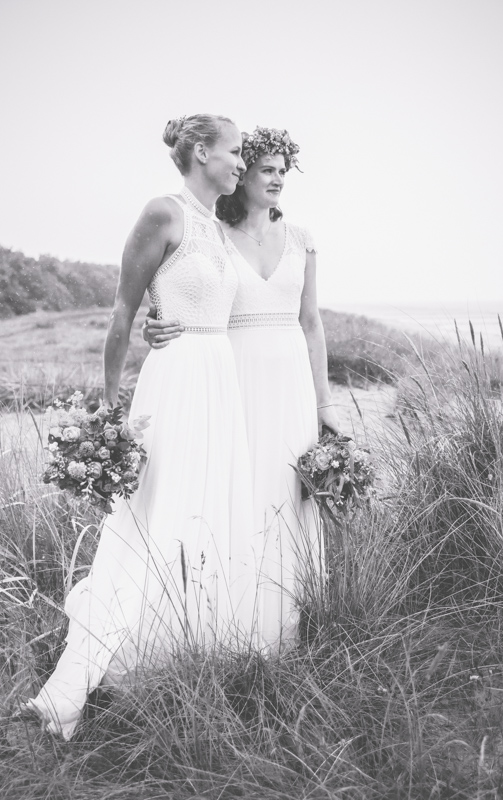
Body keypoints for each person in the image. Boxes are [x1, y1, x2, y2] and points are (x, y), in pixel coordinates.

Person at [25, 114, 257, 740]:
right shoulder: (163, 212)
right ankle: (117, 659)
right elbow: (124, 310)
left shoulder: (217, 225)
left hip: (219, 377)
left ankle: (194, 638)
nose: (241, 162)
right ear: (201, 151)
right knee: (160, 509)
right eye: (235, 152)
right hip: (176, 378)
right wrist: (107, 413)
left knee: (207, 506)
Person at [144, 126, 340, 649]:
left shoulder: (301, 238)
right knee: (239, 491)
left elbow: (313, 322)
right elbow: (185, 298)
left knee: (286, 491)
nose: (277, 180)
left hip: (293, 382)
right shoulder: (212, 235)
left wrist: (325, 401)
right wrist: (155, 323)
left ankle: (287, 623)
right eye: (266, 170)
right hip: (235, 376)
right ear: (243, 175)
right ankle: (228, 621)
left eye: (283, 171)